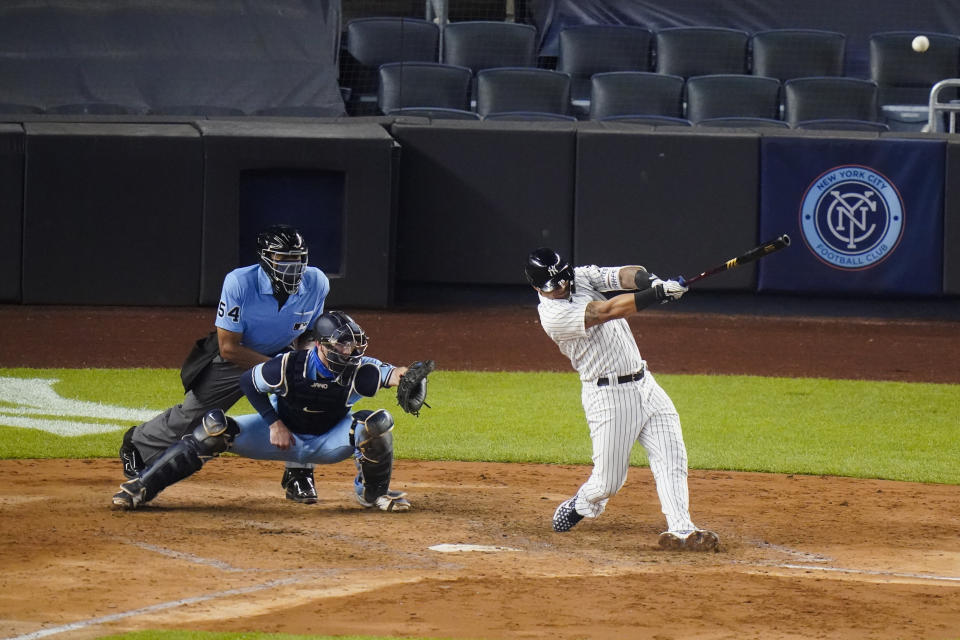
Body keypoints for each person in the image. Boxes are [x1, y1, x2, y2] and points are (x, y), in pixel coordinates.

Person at [111, 311, 414, 513]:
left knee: (376, 424)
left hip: (328, 441)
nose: (351, 352)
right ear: (321, 345)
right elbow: (248, 381)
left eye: (354, 346)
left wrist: (408, 375)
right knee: (214, 427)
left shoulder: (362, 370)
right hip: (280, 437)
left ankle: (373, 494)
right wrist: (273, 423)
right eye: (343, 345)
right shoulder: (289, 365)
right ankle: (141, 486)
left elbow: (393, 373)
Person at [524, 247, 719, 552]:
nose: (561, 288)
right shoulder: (553, 316)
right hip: (608, 397)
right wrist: (656, 295)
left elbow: (625, 274)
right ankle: (581, 503)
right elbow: (606, 311)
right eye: (553, 286)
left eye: (562, 280)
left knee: (672, 457)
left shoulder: (579, 276)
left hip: (646, 384)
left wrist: (652, 282)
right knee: (608, 483)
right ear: (536, 287)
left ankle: (682, 528)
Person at [118, 224, 329, 503]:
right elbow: (228, 347)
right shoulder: (239, 282)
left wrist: (302, 365)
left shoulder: (317, 283)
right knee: (193, 417)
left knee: (308, 396)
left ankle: (299, 474)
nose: (293, 267)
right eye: (284, 260)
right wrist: (277, 369)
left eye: (298, 259)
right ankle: (137, 443)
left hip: (280, 353)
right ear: (265, 259)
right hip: (236, 356)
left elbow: (307, 334)